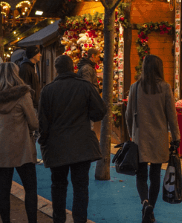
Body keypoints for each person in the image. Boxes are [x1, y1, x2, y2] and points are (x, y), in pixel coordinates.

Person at [38, 55, 107, 223]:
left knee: (58, 186)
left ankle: (59, 219)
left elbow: (43, 122)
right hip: (81, 144)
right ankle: (79, 219)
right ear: (72, 68)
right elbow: (100, 111)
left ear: (56, 69)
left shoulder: (48, 90)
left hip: (57, 145)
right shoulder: (85, 87)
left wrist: (44, 141)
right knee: (81, 187)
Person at [126, 55, 181, 223]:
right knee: (155, 174)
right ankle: (151, 210)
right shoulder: (165, 88)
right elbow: (172, 115)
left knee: (141, 174)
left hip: (140, 137)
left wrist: (131, 134)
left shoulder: (135, 87)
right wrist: (176, 137)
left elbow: (128, 115)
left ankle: (145, 203)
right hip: (159, 137)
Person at [0, 62, 39, 223]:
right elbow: (34, 123)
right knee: (30, 189)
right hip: (22, 148)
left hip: (1, 150)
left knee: (3, 191)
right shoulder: (23, 94)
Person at [19, 46, 42, 111]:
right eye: (38, 53)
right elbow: (24, 86)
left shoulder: (33, 66)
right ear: (33, 55)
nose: (40, 55)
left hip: (34, 103)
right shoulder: (25, 68)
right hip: (31, 105)